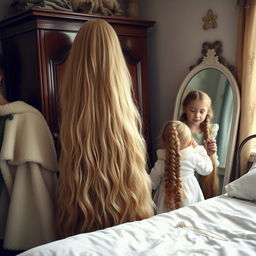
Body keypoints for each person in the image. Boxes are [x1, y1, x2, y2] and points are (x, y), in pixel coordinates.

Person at [57, 19, 154, 238]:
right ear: (117, 63)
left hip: (82, 222)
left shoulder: (73, 114)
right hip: (128, 222)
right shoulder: (125, 112)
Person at [149, 121, 213, 214]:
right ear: (190, 143)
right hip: (190, 196)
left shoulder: (161, 162)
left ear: (163, 142)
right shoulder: (193, 157)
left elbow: (151, 183)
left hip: (165, 201)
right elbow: (207, 169)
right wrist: (198, 149)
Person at [180, 90, 219, 199]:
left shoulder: (211, 130)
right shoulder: (179, 129)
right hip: (186, 177)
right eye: (192, 110)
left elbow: (209, 161)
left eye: (202, 111)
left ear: (207, 112)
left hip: (205, 175)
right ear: (185, 109)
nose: (197, 115)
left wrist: (209, 153)